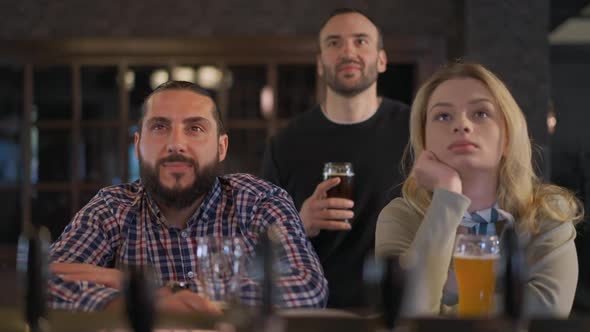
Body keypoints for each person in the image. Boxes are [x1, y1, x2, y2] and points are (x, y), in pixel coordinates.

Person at [48, 81, 328, 313]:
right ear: (138, 146)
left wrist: (155, 295)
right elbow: (46, 282)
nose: (176, 144)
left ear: (221, 147)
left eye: (195, 128)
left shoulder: (259, 200)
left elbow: (308, 288)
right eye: (159, 127)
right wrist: (123, 302)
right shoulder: (111, 208)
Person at [375, 62, 583, 317]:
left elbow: (548, 310)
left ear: (506, 136)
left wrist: (447, 297)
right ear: (424, 138)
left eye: (480, 113)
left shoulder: (548, 213)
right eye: (443, 116)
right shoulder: (399, 217)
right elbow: (408, 314)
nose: (462, 125)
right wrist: (448, 197)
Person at [261, 8, 409, 309]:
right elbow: (258, 245)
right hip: (313, 313)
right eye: (334, 43)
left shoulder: (416, 131)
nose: (347, 51)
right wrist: (299, 223)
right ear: (320, 63)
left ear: (382, 60)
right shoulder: (286, 143)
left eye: (360, 41)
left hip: (399, 307)